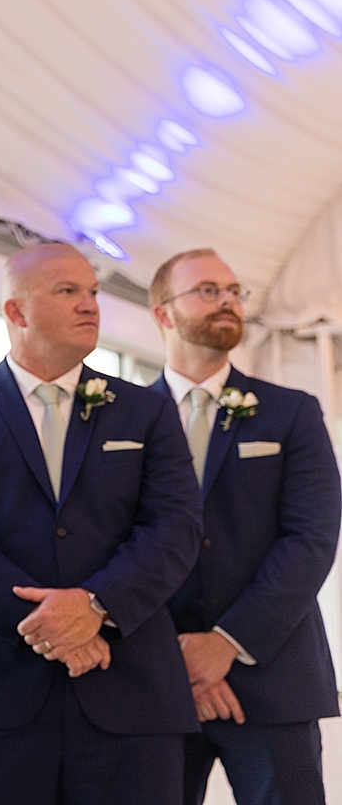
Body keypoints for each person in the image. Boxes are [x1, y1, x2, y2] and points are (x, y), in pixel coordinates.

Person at [0, 243, 203, 805]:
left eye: (93, 292)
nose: (90, 305)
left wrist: (95, 607)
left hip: (130, 690)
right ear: (16, 312)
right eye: (67, 291)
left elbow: (176, 525)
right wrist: (46, 624)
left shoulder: (145, 410)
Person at [149, 248, 340, 805]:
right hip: (159, 683)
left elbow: (312, 538)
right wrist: (179, 656)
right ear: (163, 313)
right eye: (208, 290)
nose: (227, 301)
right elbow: (111, 541)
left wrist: (226, 645)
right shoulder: (127, 415)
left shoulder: (292, 413)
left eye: (234, 290)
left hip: (273, 677)